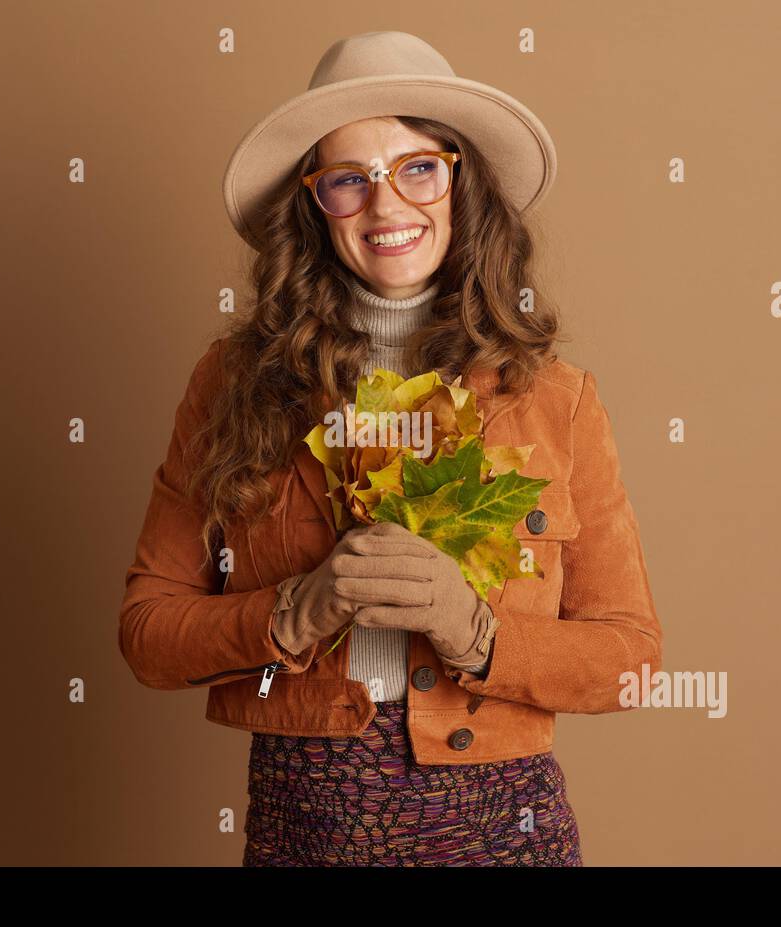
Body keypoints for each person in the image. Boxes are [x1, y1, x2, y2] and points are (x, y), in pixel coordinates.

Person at [119, 31, 664, 866]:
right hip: (305, 833)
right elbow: (149, 634)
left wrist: (478, 635)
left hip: (503, 837)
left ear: (461, 182)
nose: (386, 206)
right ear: (313, 203)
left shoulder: (556, 400)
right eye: (348, 179)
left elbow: (632, 657)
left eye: (417, 167)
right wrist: (292, 612)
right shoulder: (234, 382)